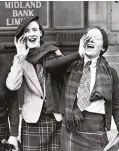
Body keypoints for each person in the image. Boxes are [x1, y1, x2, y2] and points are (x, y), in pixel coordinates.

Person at [6, 15, 85, 151]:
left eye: (35, 30)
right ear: (21, 37)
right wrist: (20, 57)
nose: (31, 34)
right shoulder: (20, 59)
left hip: (56, 118)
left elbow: (67, 80)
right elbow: (12, 85)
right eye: (27, 31)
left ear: (40, 33)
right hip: (32, 120)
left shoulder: (53, 52)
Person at [60, 26, 119, 151]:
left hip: (96, 128)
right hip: (71, 126)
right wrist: (79, 54)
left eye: (96, 38)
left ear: (103, 47)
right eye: (88, 38)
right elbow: (50, 67)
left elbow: (116, 106)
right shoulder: (70, 67)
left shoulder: (111, 73)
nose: (91, 40)